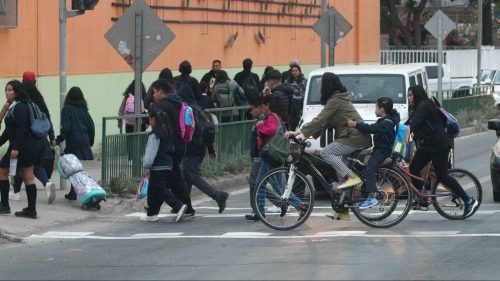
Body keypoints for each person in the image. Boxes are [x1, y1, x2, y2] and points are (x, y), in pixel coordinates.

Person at [285, 72, 372, 220]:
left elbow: (320, 119)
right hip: (351, 137)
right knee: (340, 172)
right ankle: (343, 209)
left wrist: (300, 133)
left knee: (326, 152)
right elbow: (322, 126)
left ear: (327, 85)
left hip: (355, 137)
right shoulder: (336, 99)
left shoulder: (336, 100)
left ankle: (353, 177)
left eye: (321, 83)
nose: (319, 86)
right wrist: (301, 134)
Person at [406, 85, 478, 218]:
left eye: (411, 95)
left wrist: (401, 131)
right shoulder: (418, 107)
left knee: (442, 175)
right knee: (413, 168)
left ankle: (468, 200)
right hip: (428, 145)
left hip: (440, 144)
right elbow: (410, 122)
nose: (409, 98)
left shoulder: (424, 105)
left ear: (417, 94)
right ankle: (422, 199)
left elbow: (413, 124)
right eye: (408, 95)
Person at [177, 84, 229, 213]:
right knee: (186, 177)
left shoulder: (187, 111)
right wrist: (210, 149)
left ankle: (218, 196)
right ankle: (186, 205)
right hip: (200, 148)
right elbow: (207, 130)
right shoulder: (200, 110)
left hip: (191, 148)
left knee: (192, 176)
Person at [254, 95, 307, 218]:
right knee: (259, 184)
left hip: (271, 156)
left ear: (267, 106)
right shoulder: (276, 116)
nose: (261, 109)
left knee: (278, 188)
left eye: (262, 106)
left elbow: (271, 130)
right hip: (269, 156)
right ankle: (260, 211)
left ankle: (301, 206)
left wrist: (260, 126)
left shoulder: (272, 117)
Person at [151, 79, 196, 217]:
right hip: (180, 144)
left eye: (154, 92)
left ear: (161, 91)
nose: (153, 95)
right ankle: (154, 209)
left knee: (165, 179)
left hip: (168, 146)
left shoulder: (162, 106)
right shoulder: (178, 103)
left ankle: (182, 206)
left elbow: (159, 128)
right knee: (172, 177)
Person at [0, 80, 45, 218]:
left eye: (10, 90)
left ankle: (5, 205)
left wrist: (16, 148)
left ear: (17, 92)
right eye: (6, 90)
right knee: (28, 176)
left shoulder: (20, 107)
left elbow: (21, 129)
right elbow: (9, 131)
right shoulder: (14, 106)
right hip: (25, 146)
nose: (7, 92)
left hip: (21, 147)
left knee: (2, 171)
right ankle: (31, 210)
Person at [347, 97, 400, 209]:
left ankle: (372, 196)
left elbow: (371, 128)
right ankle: (366, 188)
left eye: (376, 107)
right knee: (362, 160)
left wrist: (355, 124)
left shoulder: (387, 123)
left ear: (382, 109)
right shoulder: (387, 120)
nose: (375, 110)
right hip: (379, 150)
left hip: (382, 152)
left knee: (369, 169)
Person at [10, 79, 56, 204]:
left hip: (27, 142)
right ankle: (47, 183)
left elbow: (21, 127)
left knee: (22, 167)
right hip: (41, 141)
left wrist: (15, 145)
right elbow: (48, 121)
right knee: (35, 166)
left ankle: (16, 192)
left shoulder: (23, 105)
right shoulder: (39, 104)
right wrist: (52, 138)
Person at [141, 106, 188, 222]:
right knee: (153, 190)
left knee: (160, 189)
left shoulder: (154, 135)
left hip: (157, 166)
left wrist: (146, 166)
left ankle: (178, 205)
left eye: (150, 119)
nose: (149, 121)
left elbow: (151, 152)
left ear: (153, 119)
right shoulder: (168, 133)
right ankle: (151, 213)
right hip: (168, 165)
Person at [53, 87, 95, 201]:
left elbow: (66, 127)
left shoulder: (67, 109)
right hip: (84, 142)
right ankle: (75, 191)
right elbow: (91, 126)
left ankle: (80, 192)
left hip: (73, 143)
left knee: (73, 169)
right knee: (80, 170)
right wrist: (90, 141)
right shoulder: (84, 110)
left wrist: (58, 140)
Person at [245, 97, 266, 222]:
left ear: (259, 108)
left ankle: (257, 210)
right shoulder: (259, 120)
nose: (250, 111)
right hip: (259, 156)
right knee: (271, 184)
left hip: (260, 157)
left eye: (252, 109)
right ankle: (258, 210)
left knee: (255, 184)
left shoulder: (262, 121)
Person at [117, 80, 147, 161]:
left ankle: (130, 159)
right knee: (140, 140)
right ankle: (140, 157)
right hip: (140, 123)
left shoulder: (127, 96)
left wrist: (119, 122)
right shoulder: (143, 96)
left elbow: (121, 110)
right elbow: (146, 108)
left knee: (130, 141)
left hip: (129, 123)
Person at [285, 64, 307, 131]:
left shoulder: (304, 81)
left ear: (299, 71)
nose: (294, 72)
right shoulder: (287, 82)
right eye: (293, 71)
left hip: (302, 104)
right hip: (292, 105)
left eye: (296, 70)